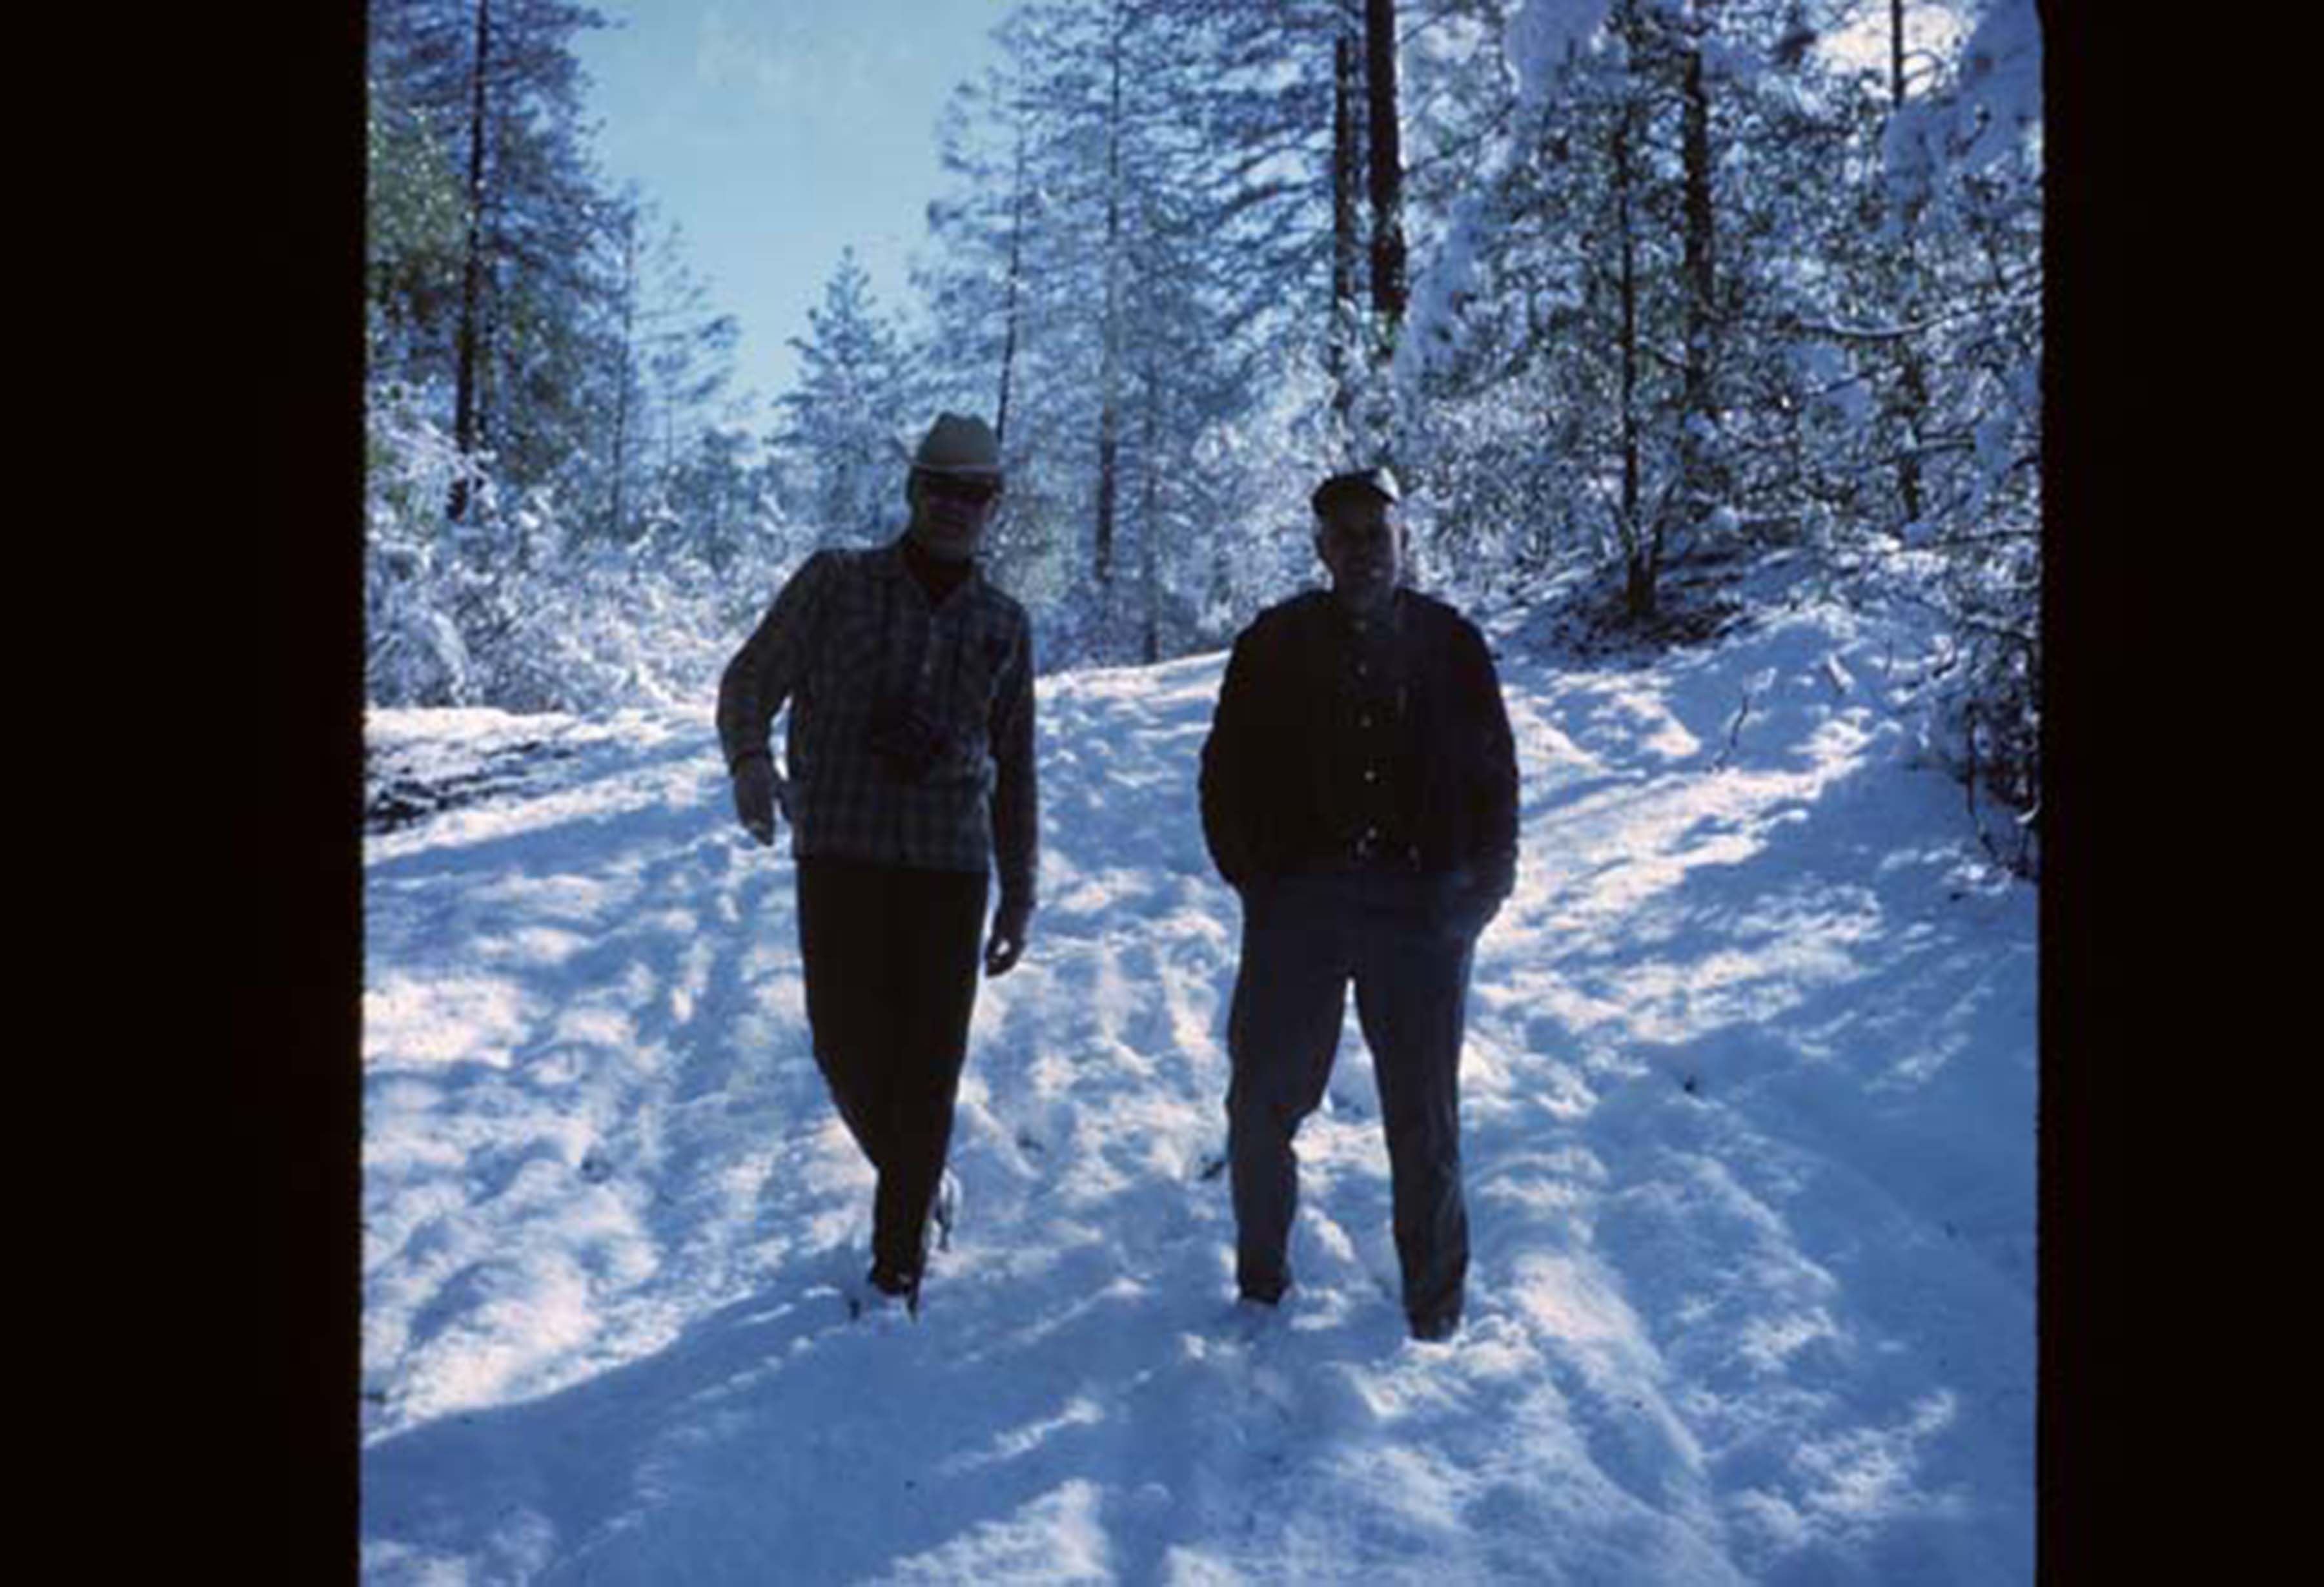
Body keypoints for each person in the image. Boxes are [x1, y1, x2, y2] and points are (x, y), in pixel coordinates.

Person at [717, 412, 1037, 1316]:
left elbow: (1017, 771)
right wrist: (751, 763)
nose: (954, 506)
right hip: (842, 852)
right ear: (911, 489)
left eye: (973, 492)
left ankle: (898, 1268)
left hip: (950, 865)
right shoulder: (836, 584)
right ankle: (922, 1177)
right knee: (847, 1047)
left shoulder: (1003, 624)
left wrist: (1021, 894)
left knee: (930, 1062)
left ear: (994, 504)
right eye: (940, 486)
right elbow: (748, 681)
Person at [1198, 465, 1518, 1344]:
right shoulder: (1272, 644)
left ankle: (1436, 1311)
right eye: (1343, 536)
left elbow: (1498, 783)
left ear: (1403, 540)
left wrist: (1474, 901)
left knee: (1425, 1120)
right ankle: (1261, 1282)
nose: (1362, 551)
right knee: (1261, 1101)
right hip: (1299, 909)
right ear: (1319, 548)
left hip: (1422, 914)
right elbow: (1222, 776)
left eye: (1376, 533)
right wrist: (1259, 883)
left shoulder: (1453, 646)